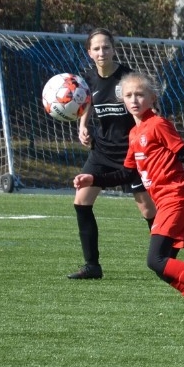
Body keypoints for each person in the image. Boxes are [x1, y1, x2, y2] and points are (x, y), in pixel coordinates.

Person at [73, 74, 184, 329]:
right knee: (162, 266)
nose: (134, 100)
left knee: (155, 259)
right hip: (168, 201)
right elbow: (127, 173)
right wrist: (93, 178)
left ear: (152, 98)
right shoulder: (134, 133)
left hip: (177, 197)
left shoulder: (158, 124)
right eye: (129, 96)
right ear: (122, 101)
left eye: (140, 95)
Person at [69, 28, 154, 280]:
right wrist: (83, 126)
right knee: (81, 201)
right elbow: (85, 103)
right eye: (96, 48)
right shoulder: (87, 80)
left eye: (106, 47)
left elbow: (145, 109)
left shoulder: (127, 78)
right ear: (89, 52)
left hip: (130, 153)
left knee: (147, 210)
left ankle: (165, 260)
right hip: (102, 152)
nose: (101, 52)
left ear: (114, 49)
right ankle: (92, 266)